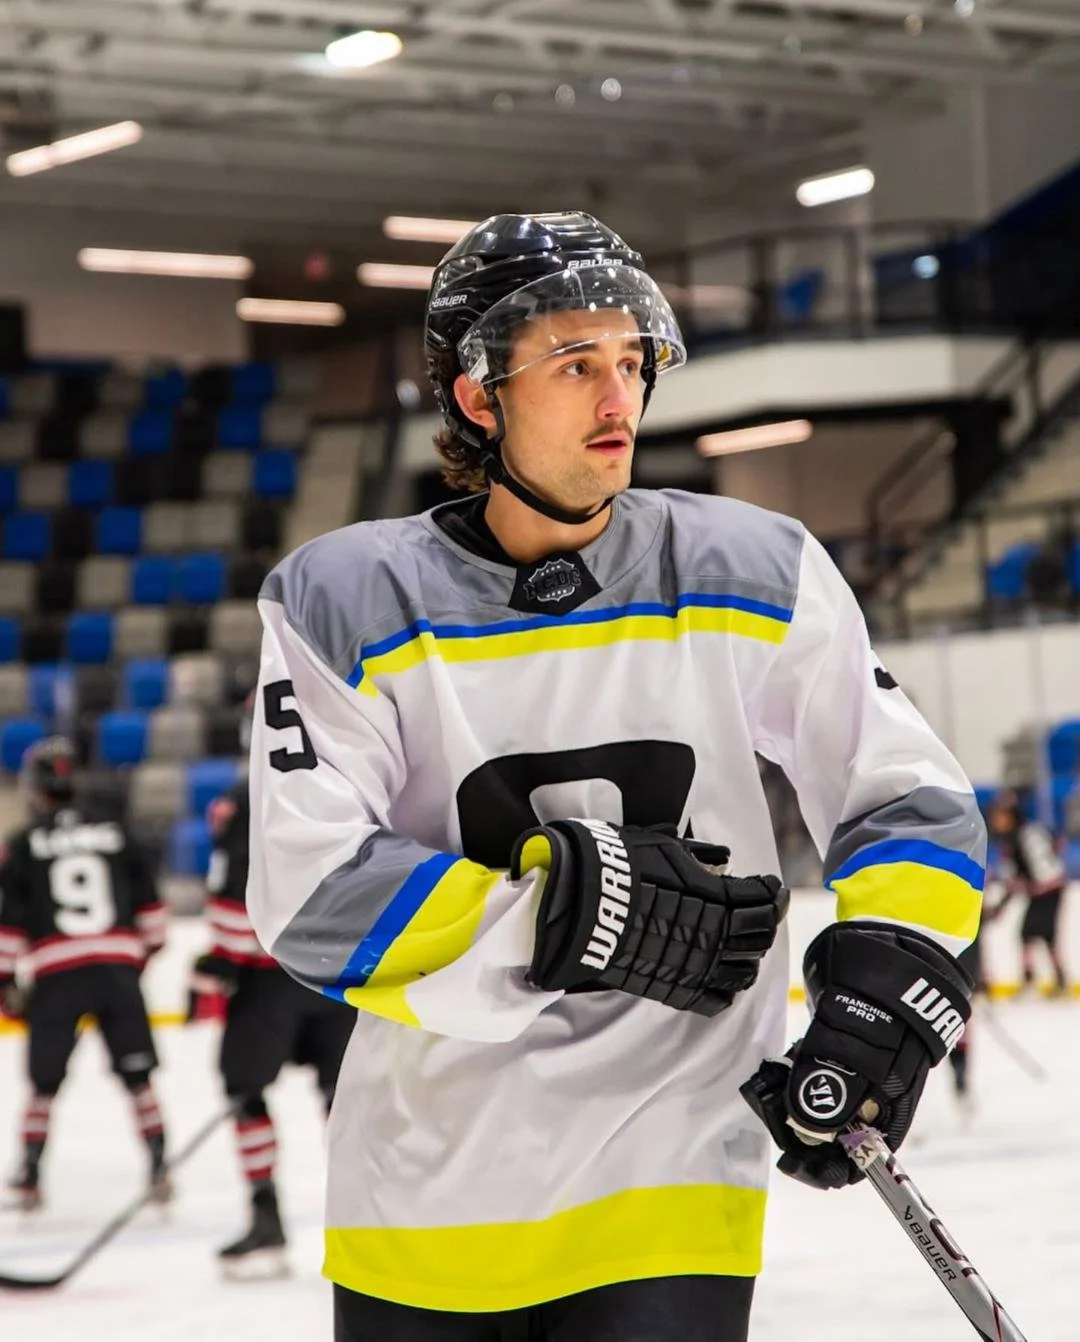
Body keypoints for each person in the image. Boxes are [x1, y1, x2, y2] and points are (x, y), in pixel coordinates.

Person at [245, 212, 985, 1342]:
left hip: (670, 1173)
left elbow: (908, 798)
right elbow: (310, 890)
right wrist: (569, 917)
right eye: (576, 363)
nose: (618, 400)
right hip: (421, 1193)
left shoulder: (756, 566)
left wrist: (886, 987)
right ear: (477, 396)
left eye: (632, 361)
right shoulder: (342, 597)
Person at [189, 772, 355, 1278]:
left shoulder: (247, 794)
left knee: (244, 1090)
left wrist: (223, 961)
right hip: (340, 974)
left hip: (269, 981)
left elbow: (231, 899)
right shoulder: (344, 778)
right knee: (344, 1096)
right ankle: (360, 1217)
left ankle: (265, 1218)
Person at [0, 736, 170, 1211]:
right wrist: (132, 961)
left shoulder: (23, 844)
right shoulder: (117, 832)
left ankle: (30, 1175)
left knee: (43, 1083)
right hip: (117, 970)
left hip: (56, 973)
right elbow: (153, 915)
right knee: (139, 1077)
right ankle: (160, 1164)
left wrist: (5, 981)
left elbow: (9, 924)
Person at [987, 789, 1068, 995]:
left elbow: (1046, 870)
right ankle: (1042, 979)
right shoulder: (1013, 838)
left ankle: (1044, 979)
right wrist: (1002, 903)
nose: (997, 821)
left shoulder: (1028, 833)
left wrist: (1032, 886)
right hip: (1040, 891)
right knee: (1032, 935)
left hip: (1049, 891)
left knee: (1039, 934)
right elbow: (1013, 877)